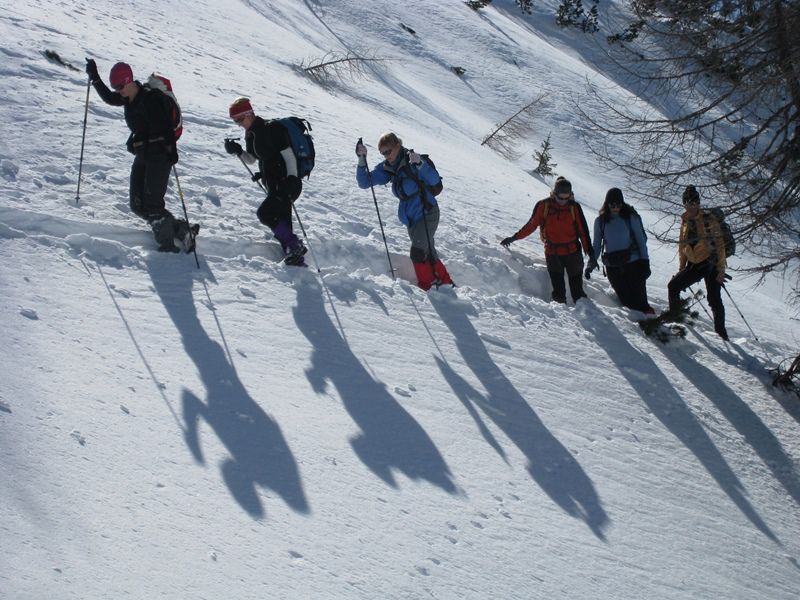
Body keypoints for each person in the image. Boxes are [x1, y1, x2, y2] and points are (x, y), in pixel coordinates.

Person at [85, 59, 194, 253]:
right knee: (137, 204)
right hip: (143, 153)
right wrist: (95, 78)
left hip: (161, 156)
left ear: (129, 81)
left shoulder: (151, 99)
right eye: (116, 87)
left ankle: (168, 248)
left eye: (120, 86)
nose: (118, 91)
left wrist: (171, 152)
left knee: (152, 205)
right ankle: (181, 229)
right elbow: (110, 98)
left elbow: (167, 128)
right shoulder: (127, 97)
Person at [355, 133, 453, 290]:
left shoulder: (413, 160)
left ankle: (426, 286)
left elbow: (435, 180)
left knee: (418, 252)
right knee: (428, 251)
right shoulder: (389, 167)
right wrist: (361, 159)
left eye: (388, 151)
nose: (386, 156)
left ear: (397, 146)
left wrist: (420, 163)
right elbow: (364, 182)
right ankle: (445, 282)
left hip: (427, 212)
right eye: (383, 153)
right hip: (411, 217)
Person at [224, 97, 306, 266]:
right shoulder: (251, 134)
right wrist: (238, 151)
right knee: (282, 220)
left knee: (265, 213)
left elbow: (288, 155)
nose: (239, 123)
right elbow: (252, 159)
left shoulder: (272, 129)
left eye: (240, 119)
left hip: (287, 183)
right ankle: (294, 257)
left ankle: (295, 246)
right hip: (274, 185)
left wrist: (292, 178)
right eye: (235, 121)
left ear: (250, 114)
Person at [501, 177, 594, 304]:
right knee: (558, 292)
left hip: (573, 254)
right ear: (554, 193)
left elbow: (583, 232)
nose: (563, 201)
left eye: (567, 197)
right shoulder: (544, 206)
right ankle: (561, 318)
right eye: (561, 197)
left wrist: (591, 255)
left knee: (578, 292)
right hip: (553, 254)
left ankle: (589, 318)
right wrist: (514, 237)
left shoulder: (574, 207)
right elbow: (531, 225)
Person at [667, 185, 729, 340]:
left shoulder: (708, 219)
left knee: (714, 298)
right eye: (688, 204)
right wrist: (682, 268)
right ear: (684, 204)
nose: (691, 207)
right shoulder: (685, 220)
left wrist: (721, 270)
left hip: (710, 262)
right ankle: (676, 320)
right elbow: (682, 246)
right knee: (673, 286)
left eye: (694, 203)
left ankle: (721, 334)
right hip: (695, 263)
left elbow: (720, 245)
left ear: (698, 203)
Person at [585, 188, 655, 314]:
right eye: (613, 204)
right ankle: (637, 329)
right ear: (607, 204)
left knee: (641, 304)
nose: (616, 207)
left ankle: (652, 326)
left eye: (619, 204)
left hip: (634, 264)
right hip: (613, 268)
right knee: (628, 305)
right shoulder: (600, 222)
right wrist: (591, 263)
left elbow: (641, 241)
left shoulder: (630, 218)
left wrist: (645, 262)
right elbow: (596, 245)